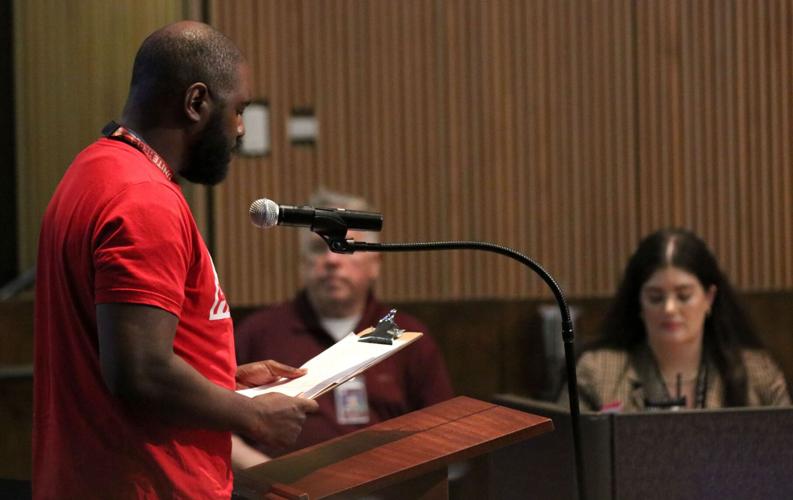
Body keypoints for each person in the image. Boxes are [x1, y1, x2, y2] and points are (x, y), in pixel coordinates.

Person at [33, 21, 318, 499]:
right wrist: (252, 415)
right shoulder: (144, 199)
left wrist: (221, 378)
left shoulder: (91, 170)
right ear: (196, 102)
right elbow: (139, 371)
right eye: (239, 110)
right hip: (145, 484)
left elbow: (114, 343)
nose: (241, 129)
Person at [233, 188, 454, 465]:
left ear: (375, 264)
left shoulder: (406, 335)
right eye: (317, 248)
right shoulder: (259, 332)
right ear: (303, 264)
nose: (332, 260)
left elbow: (443, 431)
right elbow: (219, 424)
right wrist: (267, 478)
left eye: (345, 246)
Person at [567, 228, 790, 412]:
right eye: (656, 298)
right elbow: (562, 457)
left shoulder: (757, 374)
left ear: (709, 298)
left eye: (684, 296)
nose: (670, 308)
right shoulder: (597, 373)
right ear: (638, 302)